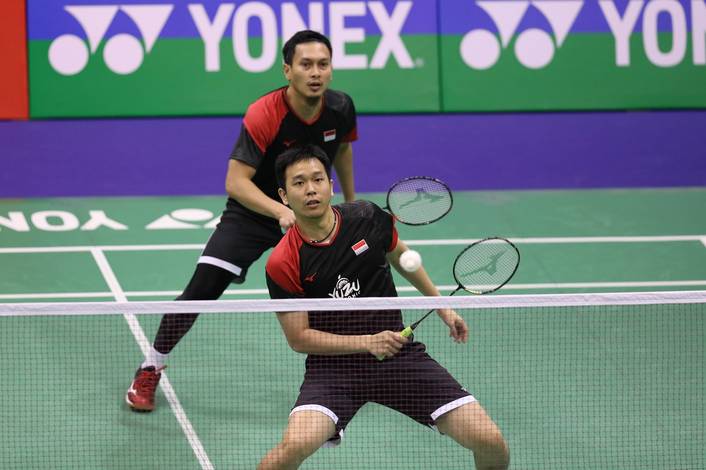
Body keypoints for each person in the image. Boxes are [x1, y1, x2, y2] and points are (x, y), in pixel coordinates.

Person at [126, 30, 358, 411]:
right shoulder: (265, 113)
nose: (315, 72)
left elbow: (343, 149)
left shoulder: (341, 107)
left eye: (323, 64)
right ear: (288, 70)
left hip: (312, 212)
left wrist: (349, 204)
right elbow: (235, 182)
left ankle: (339, 382)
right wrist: (280, 211)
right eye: (305, 64)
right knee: (202, 287)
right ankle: (151, 365)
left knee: (340, 291)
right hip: (255, 213)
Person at [259, 145, 510, 470]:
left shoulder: (366, 217)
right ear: (284, 195)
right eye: (299, 183)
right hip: (334, 370)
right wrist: (368, 341)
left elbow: (403, 259)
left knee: (490, 441)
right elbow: (299, 338)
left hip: (398, 358)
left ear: (331, 185)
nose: (310, 189)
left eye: (318, 179)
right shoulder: (283, 261)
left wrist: (442, 308)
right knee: (290, 449)